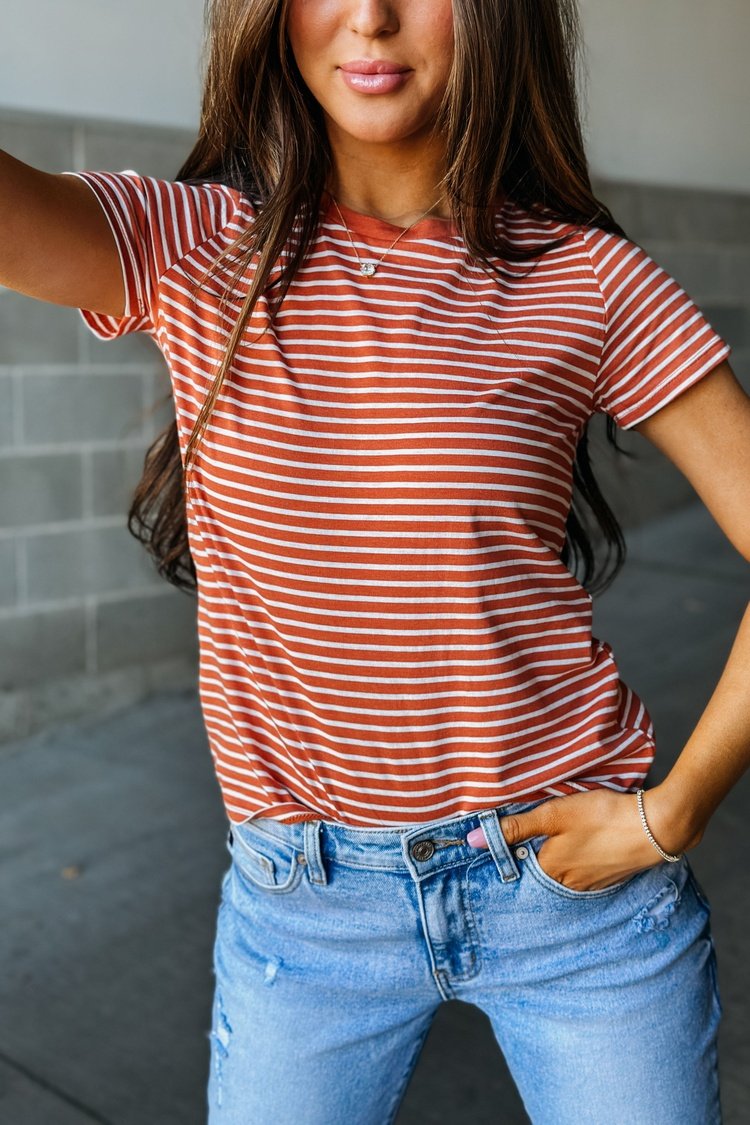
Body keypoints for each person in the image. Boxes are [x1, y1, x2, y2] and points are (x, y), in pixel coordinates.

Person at [2, 0, 748, 1121]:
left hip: (573, 903)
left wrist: (674, 811)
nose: (372, 16)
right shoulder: (194, 248)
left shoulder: (592, 282)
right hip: (306, 913)